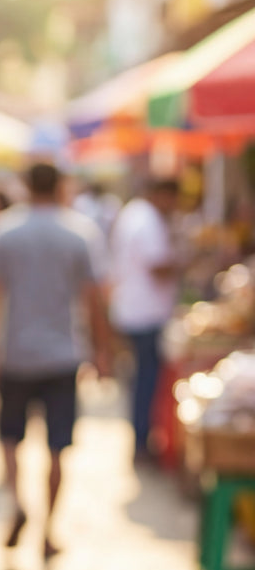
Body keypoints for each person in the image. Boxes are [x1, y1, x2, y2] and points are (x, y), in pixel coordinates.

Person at [0, 161, 111, 557]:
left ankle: (17, 504)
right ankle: (49, 532)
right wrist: (103, 351)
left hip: (14, 352)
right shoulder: (79, 233)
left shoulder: (3, 231)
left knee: (10, 437)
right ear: (62, 186)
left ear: (25, 186)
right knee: (57, 447)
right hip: (63, 355)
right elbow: (93, 298)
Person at [109, 178, 181, 463]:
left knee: (141, 379)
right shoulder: (147, 219)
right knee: (146, 380)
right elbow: (157, 266)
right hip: (144, 313)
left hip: (134, 309)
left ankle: (141, 438)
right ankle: (141, 440)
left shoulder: (135, 213)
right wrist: (186, 260)